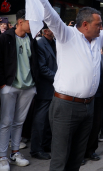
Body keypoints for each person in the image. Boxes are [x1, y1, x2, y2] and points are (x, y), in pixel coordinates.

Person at [23, 0, 103, 171]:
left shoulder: (97, 40)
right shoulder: (66, 35)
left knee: (77, 158)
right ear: (85, 25)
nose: (102, 27)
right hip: (66, 106)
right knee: (60, 159)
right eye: (98, 24)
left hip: (88, 107)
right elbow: (50, 14)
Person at [0, 9, 39, 169]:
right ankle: (2, 156)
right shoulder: (5, 37)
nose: (33, 26)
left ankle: (15, 152)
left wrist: (34, 84)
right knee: (5, 122)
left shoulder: (31, 39)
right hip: (10, 86)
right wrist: (3, 83)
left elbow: (34, 62)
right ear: (20, 21)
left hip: (28, 86)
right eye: (31, 22)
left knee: (19, 122)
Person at [30, 25, 57, 161]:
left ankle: (46, 144)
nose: (55, 30)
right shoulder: (40, 44)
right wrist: (58, 78)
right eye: (52, 28)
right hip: (45, 87)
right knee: (40, 120)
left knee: (49, 119)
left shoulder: (55, 43)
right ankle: (36, 149)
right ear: (45, 31)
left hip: (54, 87)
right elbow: (42, 68)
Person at [83, 53, 103, 164]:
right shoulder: (81, 53)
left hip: (98, 95)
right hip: (84, 96)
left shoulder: (100, 55)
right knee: (82, 127)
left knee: (96, 124)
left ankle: (91, 150)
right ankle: (79, 153)